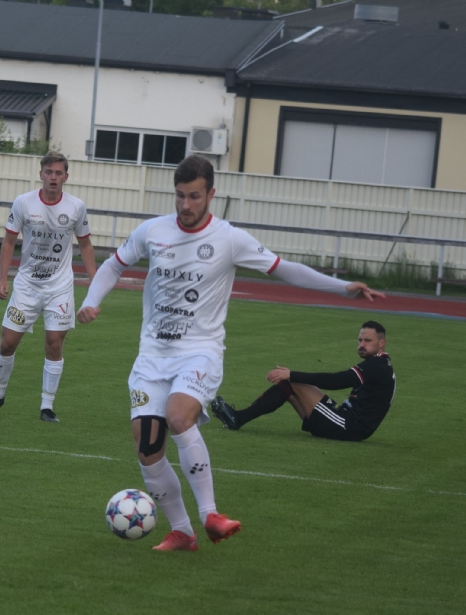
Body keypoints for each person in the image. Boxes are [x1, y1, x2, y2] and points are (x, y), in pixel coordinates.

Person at [77, 155, 384, 552]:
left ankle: (211, 515)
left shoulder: (229, 239)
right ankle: (183, 532)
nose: (185, 205)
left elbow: (285, 268)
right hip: (151, 356)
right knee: (148, 448)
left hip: (199, 352)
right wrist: (92, 300)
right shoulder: (153, 231)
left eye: (194, 196)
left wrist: (341, 287)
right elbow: (113, 266)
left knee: (179, 417)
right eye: (180, 196)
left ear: (211, 194)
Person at [0, 151, 96, 423]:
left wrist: (95, 283)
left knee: (54, 343)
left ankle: (47, 406)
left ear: (66, 177)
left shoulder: (76, 207)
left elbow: (85, 244)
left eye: (58, 173)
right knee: (7, 342)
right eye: (49, 172)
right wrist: (3, 278)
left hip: (59, 287)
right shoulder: (23, 203)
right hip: (26, 285)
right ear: (41, 175)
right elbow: (9, 241)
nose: (53, 177)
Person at [211, 321, 394, 441]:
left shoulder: (377, 365)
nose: (361, 344)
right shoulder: (379, 364)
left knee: (292, 382)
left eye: (367, 340)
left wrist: (291, 374)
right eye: (360, 340)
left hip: (348, 427)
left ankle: (238, 418)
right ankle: (237, 418)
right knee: (290, 387)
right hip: (344, 418)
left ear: (381, 343)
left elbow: (337, 381)